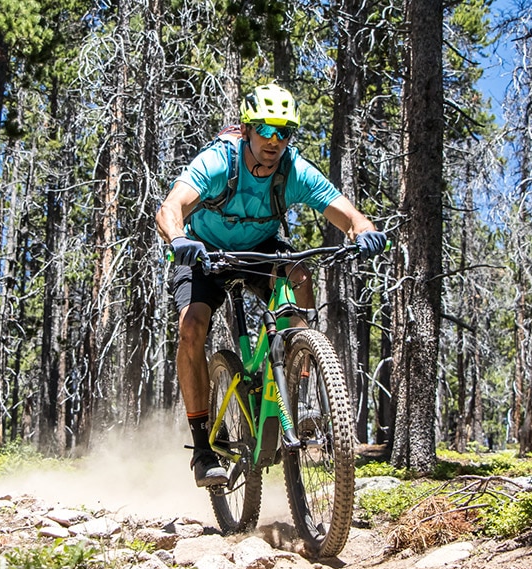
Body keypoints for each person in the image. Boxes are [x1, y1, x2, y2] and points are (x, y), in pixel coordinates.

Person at [155, 82, 387, 487]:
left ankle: (299, 387)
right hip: (204, 252)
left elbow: (345, 211)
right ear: (246, 128)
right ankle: (203, 447)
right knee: (191, 328)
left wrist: (363, 229)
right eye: (265, 128)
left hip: (260, 250)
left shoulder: (291, 169)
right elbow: (171, 207)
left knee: (299, 274)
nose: (274, 140)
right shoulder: (218, 162)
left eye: (284, 131)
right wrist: (178, 239)